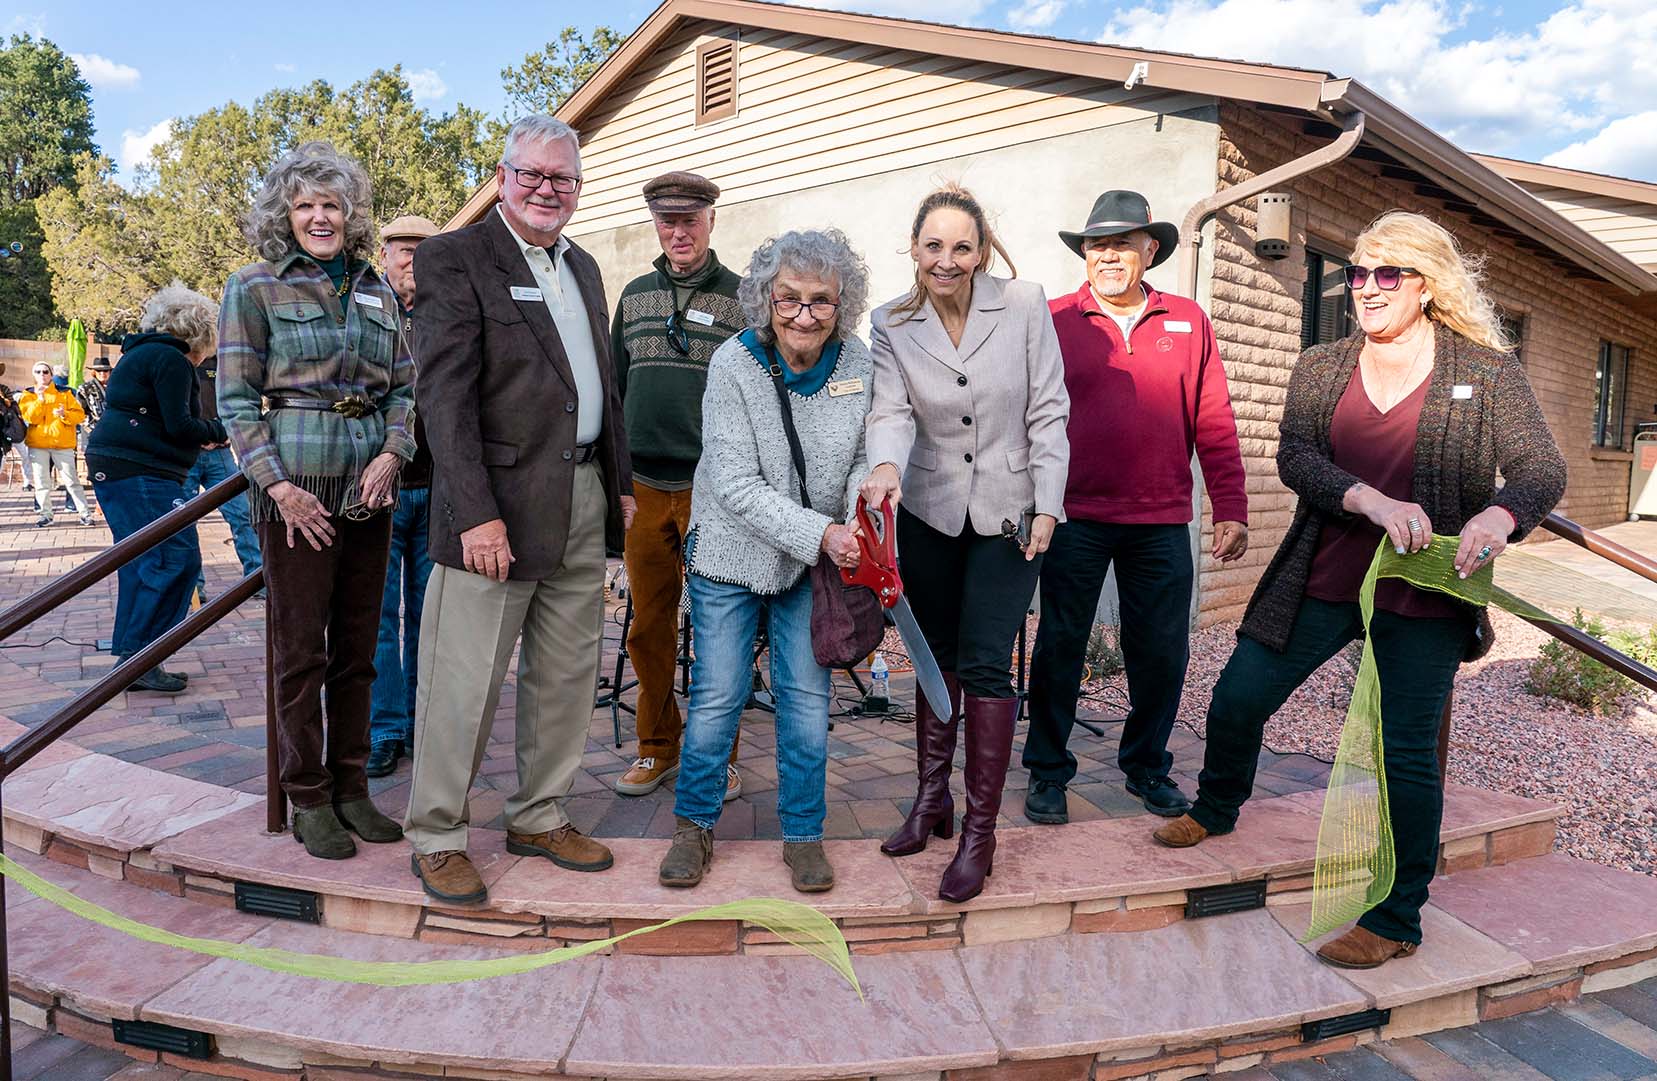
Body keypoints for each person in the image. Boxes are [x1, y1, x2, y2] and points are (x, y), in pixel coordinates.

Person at [1152, 211, 1567, 969]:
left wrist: (1501, 514)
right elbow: (1295, 457)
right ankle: (1216, 805)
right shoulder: (1321, 364)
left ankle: (1397, 917)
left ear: (1426, 283)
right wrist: (1370, 501)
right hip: (1327, 568)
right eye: (1356, 272)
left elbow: (1541, 469)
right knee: (1238, 694)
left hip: (1424, 587)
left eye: (1386, 274)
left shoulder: (1486, 370)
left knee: (1405, 752)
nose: (1365, 289)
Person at [406, 115, 634, 905]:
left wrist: (622, 486)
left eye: (561, 178)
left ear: (577, 187)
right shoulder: (455, 258)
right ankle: (436, 834)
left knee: (566, 675)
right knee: (462, 680)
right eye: (531, 175)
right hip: (494, 507)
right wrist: (473, 512)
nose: (546, 189)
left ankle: (538, 812)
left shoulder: (586, 267)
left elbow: (597, 383)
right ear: (502, 178)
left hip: (581, 496)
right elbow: (442, 396)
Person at [859, 186, 1070, 904]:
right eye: (931, 246)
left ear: (980, 251)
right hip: (926, 509)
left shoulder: (1024, 304)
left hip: (1010, 514)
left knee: (983, 662)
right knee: (932, 658)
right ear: (913, 250)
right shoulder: (890, 320)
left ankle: (980, 830)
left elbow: (1048, 405)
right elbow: (887, 407)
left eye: (960, 246)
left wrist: (1049, 501)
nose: (945, 260)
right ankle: (930, 801)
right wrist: (883, 464)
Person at [1022, 190, 1250, 824]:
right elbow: (1025, 415)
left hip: (1160, 518)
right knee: (1061, 644)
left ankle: (1147, 766)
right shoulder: (1054, 319)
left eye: (1124, 243)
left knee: (1161, 649)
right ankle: (1046, 770)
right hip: (1072, 515)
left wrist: (1229, 505)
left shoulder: (1188, 320)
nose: (1110, 255)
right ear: (1085, 253)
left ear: (1151, 249)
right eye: (1098, 244)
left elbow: (1214, 418)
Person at [657, 228, 872, 895]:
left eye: (820, 301)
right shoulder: (734, 363)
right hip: (732, 551)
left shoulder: (857, 361)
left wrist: (864, 500)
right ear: (764, 298)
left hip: (810, 563)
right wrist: (824, 534)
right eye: (789, 298)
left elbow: (867, 450)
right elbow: (733, 482)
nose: (804, 315)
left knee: (806, 700)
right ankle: (692, 825)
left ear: (842, 304)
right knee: (719, 696)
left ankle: (803, 833)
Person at [218, 141, 415, 860]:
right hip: (295, 490)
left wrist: (396, 451)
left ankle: (352, 785)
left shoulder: (375, 286)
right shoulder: (254, 285)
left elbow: (404, 386)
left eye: (331, 203)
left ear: (349, 211)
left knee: (358, 652)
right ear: (286, 213)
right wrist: (276, 485)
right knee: (300, 650)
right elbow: (235, 400)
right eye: (305, 205)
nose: (320, 216)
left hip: (370, 490)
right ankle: (307, 794)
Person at [610, 171, 746, 802]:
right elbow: (612, 391)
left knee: (723, 630)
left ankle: (718, 757)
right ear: (655, 224)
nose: (679, 231)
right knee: (648, 626)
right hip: (642, 486)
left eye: (690, 219)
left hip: (713, 489)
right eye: (667, 220)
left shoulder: (743, 299)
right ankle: (657, 747)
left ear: (712, 220)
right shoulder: (633, 297)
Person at [86, 284, 227, 694]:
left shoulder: (140, 353)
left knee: (141, 560)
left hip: (120, 467)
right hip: (140, 471)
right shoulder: (171, 358)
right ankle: (143, 658)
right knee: (174, 558)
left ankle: (133, 657)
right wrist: (222, 430)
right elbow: (179, 425)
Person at [365, 214, 441, 779]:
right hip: (380, 487)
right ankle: (385, 727)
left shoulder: (449, 314)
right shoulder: (363, 311)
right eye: (403, 249)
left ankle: (420, 723)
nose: (411, 259)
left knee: (428, 618)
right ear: (385, 253)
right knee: (379, 615)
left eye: (422, 250)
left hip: (437, 486)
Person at [185, 352, 263, 599]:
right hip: (187, 454)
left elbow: (244, 401)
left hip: (221, 453)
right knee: (184, 520)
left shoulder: (226, 363)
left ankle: (257, 579)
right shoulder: (181, 361)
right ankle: (193, 587)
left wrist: (229, 432)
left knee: (242, 513)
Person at [18, 361, 93, 526]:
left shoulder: (65, 393)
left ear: (51, 374)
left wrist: (64, 414)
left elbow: (79, 416)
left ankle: (85, 513)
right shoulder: (28, 394)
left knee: (71, 481)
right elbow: (30, 418)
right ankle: (46, 515)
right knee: (41, 482)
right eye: (38, 372)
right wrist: (40, 399)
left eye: (45, 371)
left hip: (62, 444)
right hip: (38, 445)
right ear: (34, 375)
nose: (42, 374)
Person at [76, 357, 111, 428]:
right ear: (94, 372)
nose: (102, 373)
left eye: (105, 370)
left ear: (110, 372)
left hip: (114, 427)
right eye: (99, 371)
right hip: (93, 428)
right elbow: (79, 412)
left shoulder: (117, 387)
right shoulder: (84, 388)